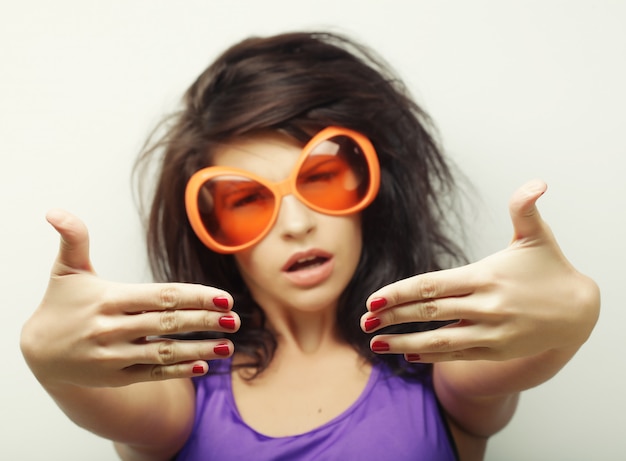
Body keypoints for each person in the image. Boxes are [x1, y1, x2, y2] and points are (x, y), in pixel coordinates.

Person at [20, 31, 600, 461]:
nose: (296, 224)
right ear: (211, 227)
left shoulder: (438, 362)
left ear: (373, 190)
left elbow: (512, 359)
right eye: (247, 199)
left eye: (321, 177)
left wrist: (576, 308)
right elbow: (105, 398)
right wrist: (49, 358)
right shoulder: (181, 391)